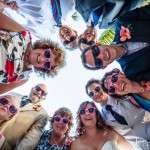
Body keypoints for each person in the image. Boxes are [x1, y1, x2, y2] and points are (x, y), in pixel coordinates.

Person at [0, 12, 65, 94]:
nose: (42, 59)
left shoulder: (23, 77)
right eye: (47, 54)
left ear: (43, 69)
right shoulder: (23, 34)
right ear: (44, 47)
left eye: (47, 64)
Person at [81, 5, 150, 82]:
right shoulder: (131, 73)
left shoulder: (123, 22)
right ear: (104, 66)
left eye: (96, 51)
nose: (101, 55)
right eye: (98, 62)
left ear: (98, 44)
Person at [85, 78, 150, 150]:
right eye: (91, 93)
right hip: (139, 146)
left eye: (97, 89)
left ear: (102, 87)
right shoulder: (102, 119)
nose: (96, 93)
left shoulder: (123, 95)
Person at [0, 83, 49, 150]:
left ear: (44, 98)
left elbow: (30, 141)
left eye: (43, 93)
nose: (39, 92)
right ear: (32, 88)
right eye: (38, 88)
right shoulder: (12, 94)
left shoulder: (42, 114)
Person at [71, 101, 136, 150]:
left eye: (91, 110)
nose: (87, 113)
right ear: (80, 117)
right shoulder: (75, 144)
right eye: (83, 112)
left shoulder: (110, 133)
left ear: (96, 114)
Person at [75, 0, 143, 29]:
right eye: (90, 43)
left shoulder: (79, 7)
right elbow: (131, 6)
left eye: (84, 40)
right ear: (96, 42)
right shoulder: (113, 25)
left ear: (80, 37)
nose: (89, 38)